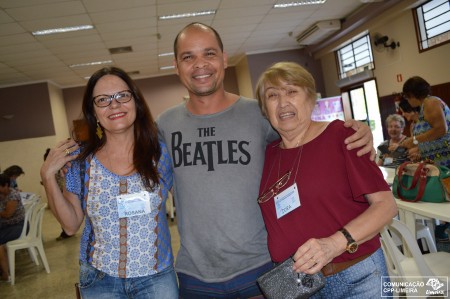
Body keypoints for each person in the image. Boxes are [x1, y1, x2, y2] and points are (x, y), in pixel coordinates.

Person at [156, 22, 375, 298]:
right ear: (176, 65)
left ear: (224, 59)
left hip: (260, 268)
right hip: (195, 275)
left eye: (209, 54)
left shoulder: (258, 115)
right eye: (188, 57)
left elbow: (305, 135)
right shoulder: (165, 124)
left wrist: (355, 132)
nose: (200, 64)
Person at [255, 61, 398, 298]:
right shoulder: (270, 154)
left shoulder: (342, 136)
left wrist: (333, 244)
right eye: (272, 96)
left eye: (292, 91)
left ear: (311, 99)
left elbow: (386, 206)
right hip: (297, 285)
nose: (283, 103)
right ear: (265, 109)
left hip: (355, 277)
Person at [40, 67, 178, 298]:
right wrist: (47, 176)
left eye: (122, 96)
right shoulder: (81, 162)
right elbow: (70, 225)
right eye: (102, 100)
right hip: (101, 281)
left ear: (136, 102)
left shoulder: (160, 154)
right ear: (93, 111)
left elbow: (190, 203)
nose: (114, 105)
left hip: (157, 278)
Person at [400, 76, 450, 242]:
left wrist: (415, 141)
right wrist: (421, 150)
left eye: (407, 96)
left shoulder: (431, 102)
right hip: (441, 160)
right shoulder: (425, 106)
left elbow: (441, 130)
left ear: (412, 93)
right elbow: (434, 137)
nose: (408, 100)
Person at [0, 173, 26, 282]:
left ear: (6, 185)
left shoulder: (13, 195)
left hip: (19, 227)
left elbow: (7, 214)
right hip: (9, 225)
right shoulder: (4, 195)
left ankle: (6, 274)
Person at [42, 148, 72, 241]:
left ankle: (66, 232)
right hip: (61, 192)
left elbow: (59, 181)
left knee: (63, 214)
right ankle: (66, 231)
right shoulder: (57, 167)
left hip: (62, 193)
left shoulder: (58, 167)